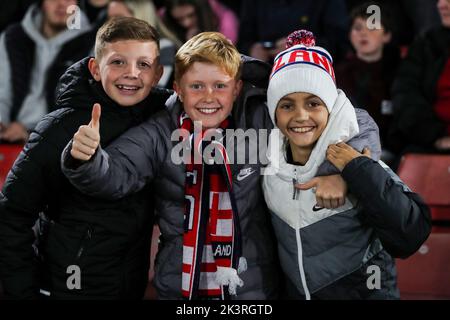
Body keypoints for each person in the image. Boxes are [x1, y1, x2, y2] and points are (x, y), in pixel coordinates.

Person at [62, 31, 281, 300]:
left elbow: (321, 131)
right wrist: (87, 158)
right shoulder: (160, 131)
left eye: (220, 86)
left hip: (252, 286)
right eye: (196, 86)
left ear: (236, 88)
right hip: (181, 284)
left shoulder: (261, 119)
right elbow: (115, 173)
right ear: (178, 88)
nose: (208, 97)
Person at [0, 17, 170, 299]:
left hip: (130, 286)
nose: (131, 73)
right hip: (64, 288)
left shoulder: (163, 123)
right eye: (118, 62)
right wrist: (24, 292)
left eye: (143, 64)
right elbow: (11, 216)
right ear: (94, 68)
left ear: (157, 74)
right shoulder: (57, 128)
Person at [263, 30, 432, 299]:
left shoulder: (359, 158)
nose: (301, 115)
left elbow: (410, 235)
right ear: (273, 111)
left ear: (332, 107)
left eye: (313, 103)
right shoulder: (268, 165)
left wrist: (354, 173)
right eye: (286, 105)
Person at [0, 0, 94, 143]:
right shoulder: (12, 37)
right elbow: (2, 91)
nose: (62, 3)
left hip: (56, 141)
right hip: (9, 134)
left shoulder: (91, 44)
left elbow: (81, 109)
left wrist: (31, 133)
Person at [335, 1, 400, 162]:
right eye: (358, 28)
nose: (363, 33)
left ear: (387, 35)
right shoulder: (338, 74)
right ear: (349, 34)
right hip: (349, 150)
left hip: (394, 151)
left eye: (372, 27)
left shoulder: (402, 72)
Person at [389, 0, 450, 154]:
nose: (441, 5)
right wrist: (434, 136)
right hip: (430, 144)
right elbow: (405, 94)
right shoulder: (426, 44)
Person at [107, 0, 181, 88]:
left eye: (118, 17)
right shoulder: (109, 46)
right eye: (109, 18)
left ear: (139, 15)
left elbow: (157, 89)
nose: (110, 23)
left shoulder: (164, 47)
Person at [161, 0, 239, 44]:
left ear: (201, 9)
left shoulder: (226, 21)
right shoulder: (165, 20)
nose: (186, 23)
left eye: (191, 15)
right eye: (179, 19)